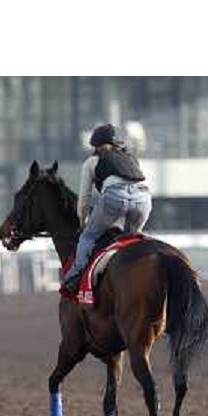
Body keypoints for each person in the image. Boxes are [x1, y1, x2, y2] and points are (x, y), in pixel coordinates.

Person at [63, 124, 152, 293]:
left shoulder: (91, 162)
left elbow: (84, 200)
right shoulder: (132, 158)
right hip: (143, 199)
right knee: (131, 240)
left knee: (88, 237)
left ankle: (76, 276)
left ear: (96, 145)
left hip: (114, 198)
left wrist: (83, 222)